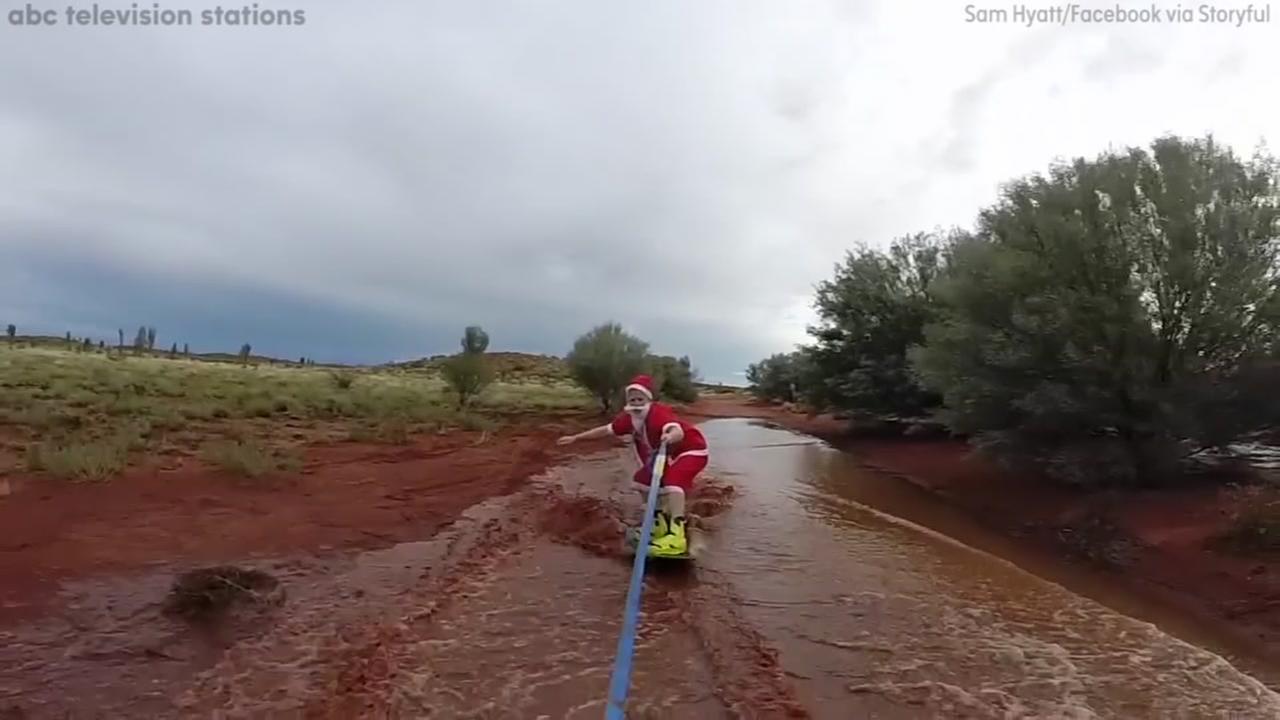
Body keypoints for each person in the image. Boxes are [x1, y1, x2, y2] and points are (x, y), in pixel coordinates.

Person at [557, 374, 708, 555]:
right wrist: (576, 437)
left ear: (648, 399)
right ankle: (659, 524)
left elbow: (677, 431)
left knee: (673, 481)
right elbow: (605, 430)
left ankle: (677, 536)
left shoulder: (659, 413)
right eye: (632, 399)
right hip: (667, 454)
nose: (636, 402)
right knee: (641, 480)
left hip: (693, 450)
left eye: (640, 398)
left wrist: (670, 436)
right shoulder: (628, 419)